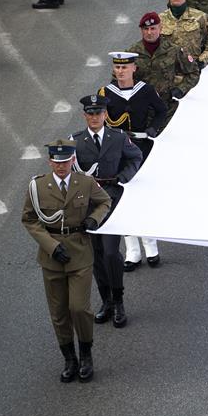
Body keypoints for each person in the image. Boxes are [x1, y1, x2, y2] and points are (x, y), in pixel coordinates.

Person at [21, 139, 112, 382]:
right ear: (50, 161)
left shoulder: (85, 182)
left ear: (72, 160)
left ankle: (86, 354)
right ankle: (69, 359)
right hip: (52, 256)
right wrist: (51, 245)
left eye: (65, 161)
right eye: (56, 162)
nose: (61, 166)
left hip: (80, 253)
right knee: (59, 312)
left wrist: (94, 219)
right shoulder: (38, 186)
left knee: (79, 308)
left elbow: (104, 201)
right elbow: (29, 219)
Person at [71, 95, 143, 328]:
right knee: (96, 256)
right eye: (90, 114)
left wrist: (124, 177)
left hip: (112, 200)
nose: (94, 117)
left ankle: (119, 301)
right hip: (88, 205)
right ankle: (107, 301)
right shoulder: (76, 141)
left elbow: (136, 157)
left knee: (111, 253)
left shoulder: (119, 137)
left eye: (98, 113)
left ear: (105, 115)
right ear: (85, 116)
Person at [99, 52, 167, 271]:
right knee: (122, 196)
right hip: (117, 150)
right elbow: (99, 121)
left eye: (125, 67)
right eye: (117, 68)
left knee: (143, 194)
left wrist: (152, 128)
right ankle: (132, 249)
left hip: (141, 147)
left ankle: (150, 243)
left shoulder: (145, 90)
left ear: (134, 68)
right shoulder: (106, 93)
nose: (120, 71)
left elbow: (161, 110)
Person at [127, 11, 201, 126]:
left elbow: (193, 71)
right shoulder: (131, 53)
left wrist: (181, 89)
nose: (149, 32)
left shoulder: (173, 50)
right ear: (141, 31)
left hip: (166, 107)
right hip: (139, 108)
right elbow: (117, 78)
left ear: (160, 28)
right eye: (146, 29)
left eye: (153, 28)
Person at [159, 0, 208, 69]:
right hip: (167, 70)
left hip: (193, 69)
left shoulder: (200, 17)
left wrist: (202, 60)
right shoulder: (159, 19)